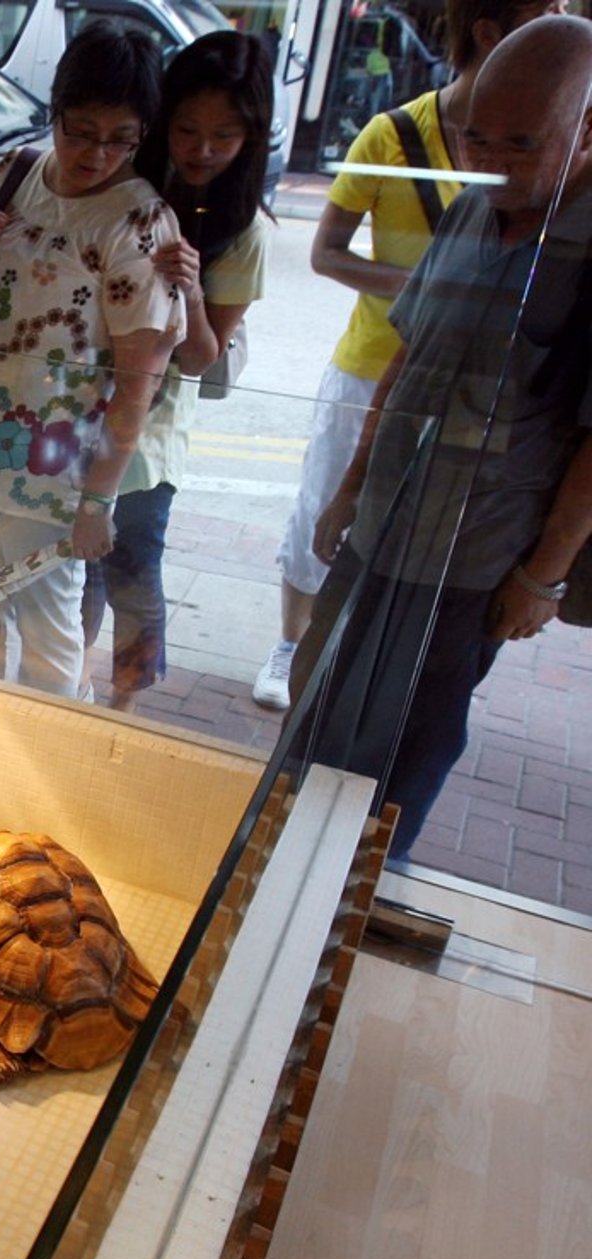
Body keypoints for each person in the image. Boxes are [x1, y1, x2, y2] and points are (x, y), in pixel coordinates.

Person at [288, 13, 592, 861]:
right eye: (475, 139)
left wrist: (545, 576)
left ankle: (363, 885)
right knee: (320, 691)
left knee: (413, 732)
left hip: (480, 549)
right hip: (386, 513)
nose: (489, 162)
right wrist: (350, 484)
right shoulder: (472, 209)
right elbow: (409, 355)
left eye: (522, 143)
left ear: (589, 127)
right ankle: (282, 858)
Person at [252, 0, 561, 712]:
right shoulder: (392, 134)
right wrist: (436, 293)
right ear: (491, 31)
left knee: (420, 538)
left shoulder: (547, 152)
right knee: (324, 513)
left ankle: (360, 670)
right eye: (542, 10)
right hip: (374, 365)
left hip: (477, 392)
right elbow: (327, 251)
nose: (557, 19)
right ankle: (292, 645)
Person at [0, 20, 185, 698]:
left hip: (55, 470)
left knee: (50, 639)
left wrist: (99, 499)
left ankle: (48, 765)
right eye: (81, 129)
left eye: (121, 138)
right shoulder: (16, 173)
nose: (97, 154)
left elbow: (139, 382)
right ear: (56, 109)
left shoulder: (139, 223)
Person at [81, 30, 274, 712]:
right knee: (79, 571)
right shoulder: (128, 187)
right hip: (78, 411)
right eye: (188, 128)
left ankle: (123, 707)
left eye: (225, 135)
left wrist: (190, 289)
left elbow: (202, 358)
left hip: (149, 435)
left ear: (253, 136)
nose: (202, 149)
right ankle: (67, 689)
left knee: (132, 569)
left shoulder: (244, 231)